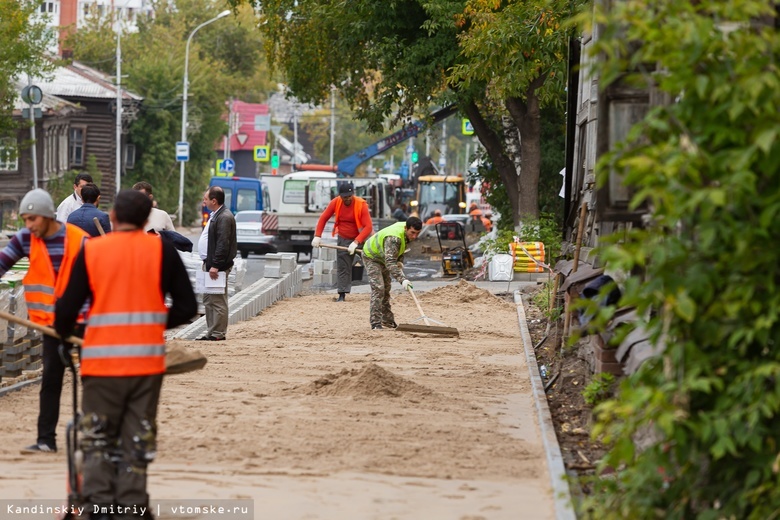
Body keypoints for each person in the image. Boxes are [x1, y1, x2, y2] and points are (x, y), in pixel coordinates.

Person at [54, 189, 197, 520]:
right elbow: (188, 306)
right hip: (146, 366)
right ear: (147, 219)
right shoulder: (162, 249)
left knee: (97, 436)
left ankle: (98, 506)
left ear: (113, 217)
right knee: (137, 436)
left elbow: (65, 313)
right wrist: (153, 322)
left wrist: (71, 335)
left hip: (101, 365)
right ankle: (132, 506)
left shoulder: (93, 251)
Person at [0, 189, 89, 453]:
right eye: (25, 220)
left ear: (48, 216)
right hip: (49, 323)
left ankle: (97, 437)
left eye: (33, 219)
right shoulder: (26, 239)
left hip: (84, 320)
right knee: (51, 378)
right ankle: (46, 440)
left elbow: (97, 281)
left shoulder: (79, 240)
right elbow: (2, 263)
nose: (28, 225)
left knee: (94, 379)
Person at [311, 182, 373, 302]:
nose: (347, 199)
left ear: (352, 194)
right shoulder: (336, 202)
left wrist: (356, 242)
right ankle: (342, 294)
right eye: (345, 197)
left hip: (361, 238)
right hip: (344, 238)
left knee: (372, 263)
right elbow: (323, 218)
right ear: (340, 196)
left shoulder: (361, 204)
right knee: (343, 267)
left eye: (349, 196)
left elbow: (368, 227)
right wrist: (317, 236)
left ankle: (378, 292)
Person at [361, 216, 423, 330]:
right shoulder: (393, 238)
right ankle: (375, 323)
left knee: (386, 288)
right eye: (412, 233)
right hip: (372, 257)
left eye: (417, 233)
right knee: (379, 288)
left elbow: (401, 247)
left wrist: (399, 260)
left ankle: (387, 320)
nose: (414, 236)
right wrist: (402, 279)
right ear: (406, 228)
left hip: (383, 257)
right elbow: (389, 263)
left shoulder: (406, 232)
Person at [197, 186, 237, 341]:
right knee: (208, 299)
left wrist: (215, 265)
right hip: (209, 264)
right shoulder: (216, 214)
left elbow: (223, 243)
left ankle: (218, 333)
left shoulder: (224, 217)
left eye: (205, 199)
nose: (203, 201)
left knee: (218, 300)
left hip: (216, 266)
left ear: (214, 201)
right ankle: (211, 331)